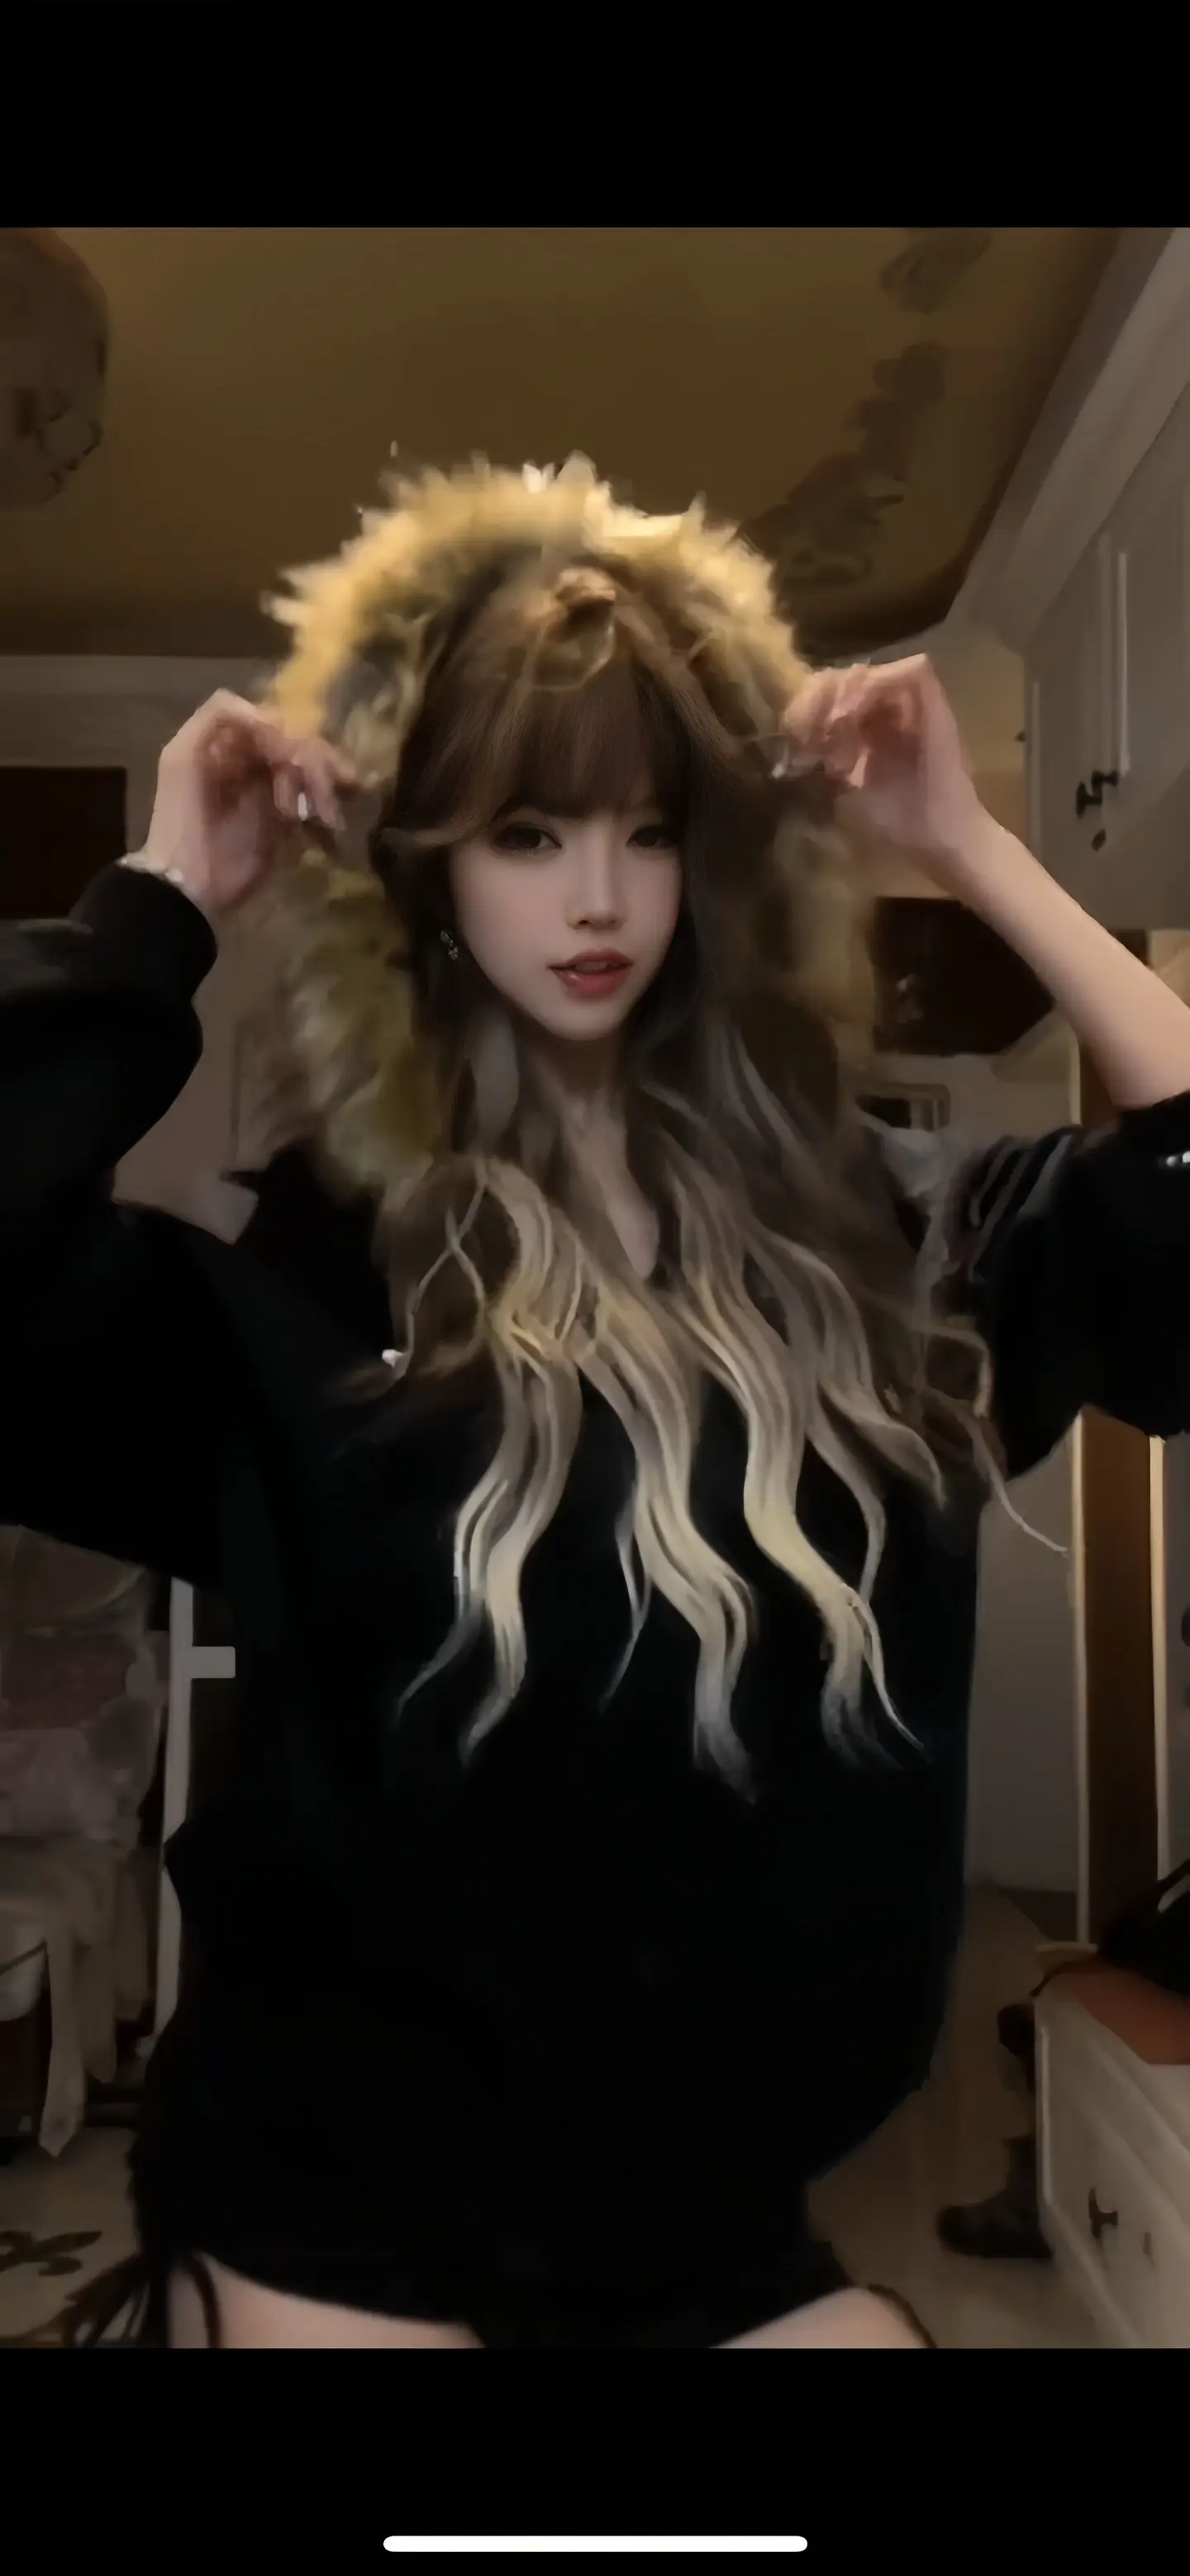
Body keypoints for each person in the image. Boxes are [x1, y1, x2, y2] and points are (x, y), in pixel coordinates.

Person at [3, 457, 1190, 2351]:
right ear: (432, 868)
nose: (597, 894)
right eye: (530, 827)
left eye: (651, 830)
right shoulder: (310, 1267)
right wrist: (159, 899)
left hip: (705, 2227)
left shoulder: (889, 1246)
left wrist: (974, 847)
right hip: (337, 2207)